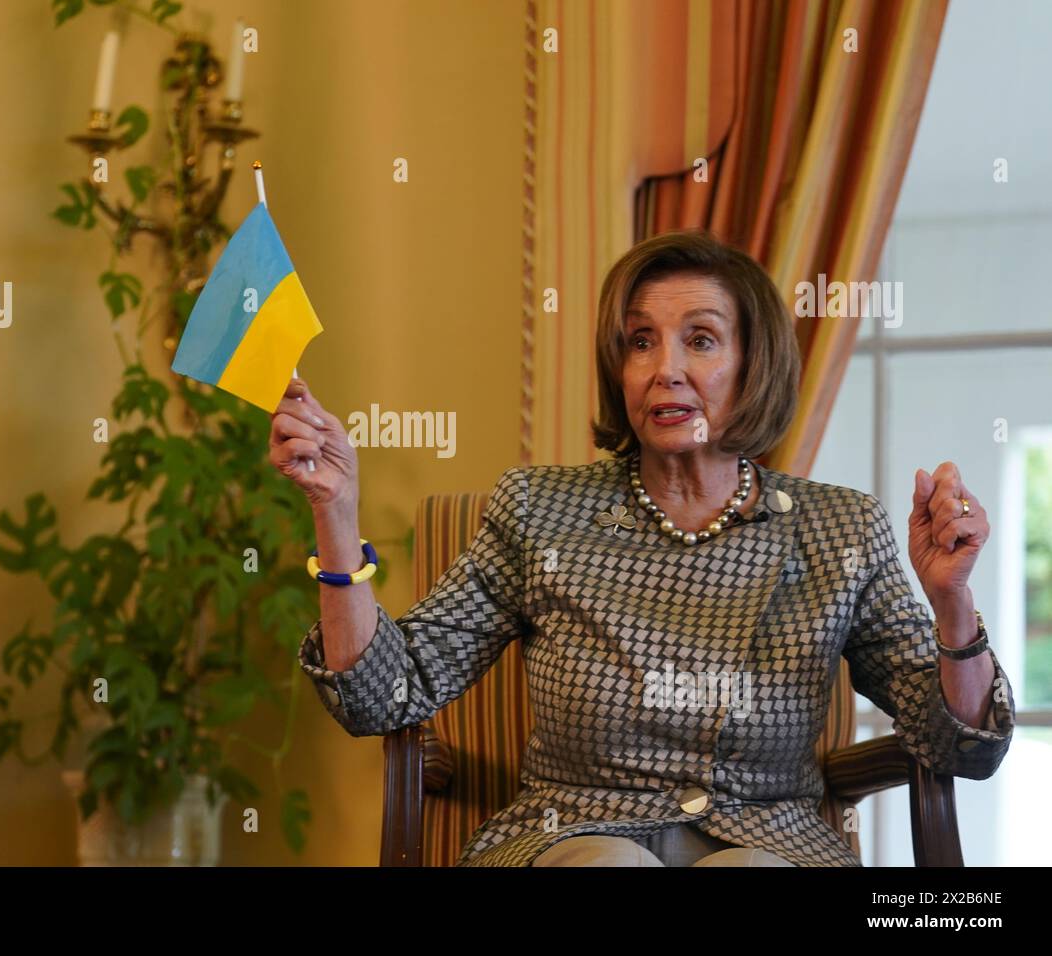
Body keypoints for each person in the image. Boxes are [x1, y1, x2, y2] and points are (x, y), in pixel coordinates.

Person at [267, 229, 1015, 867]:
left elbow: (963, 749)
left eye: (700, 339)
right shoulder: (538, 511)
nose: (666, 369)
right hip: (576, 838)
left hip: (768, 842)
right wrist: (337, 512)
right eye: (640, 341)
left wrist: (951, 602)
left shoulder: (839, 529)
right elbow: (385, 694)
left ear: (754, 364)